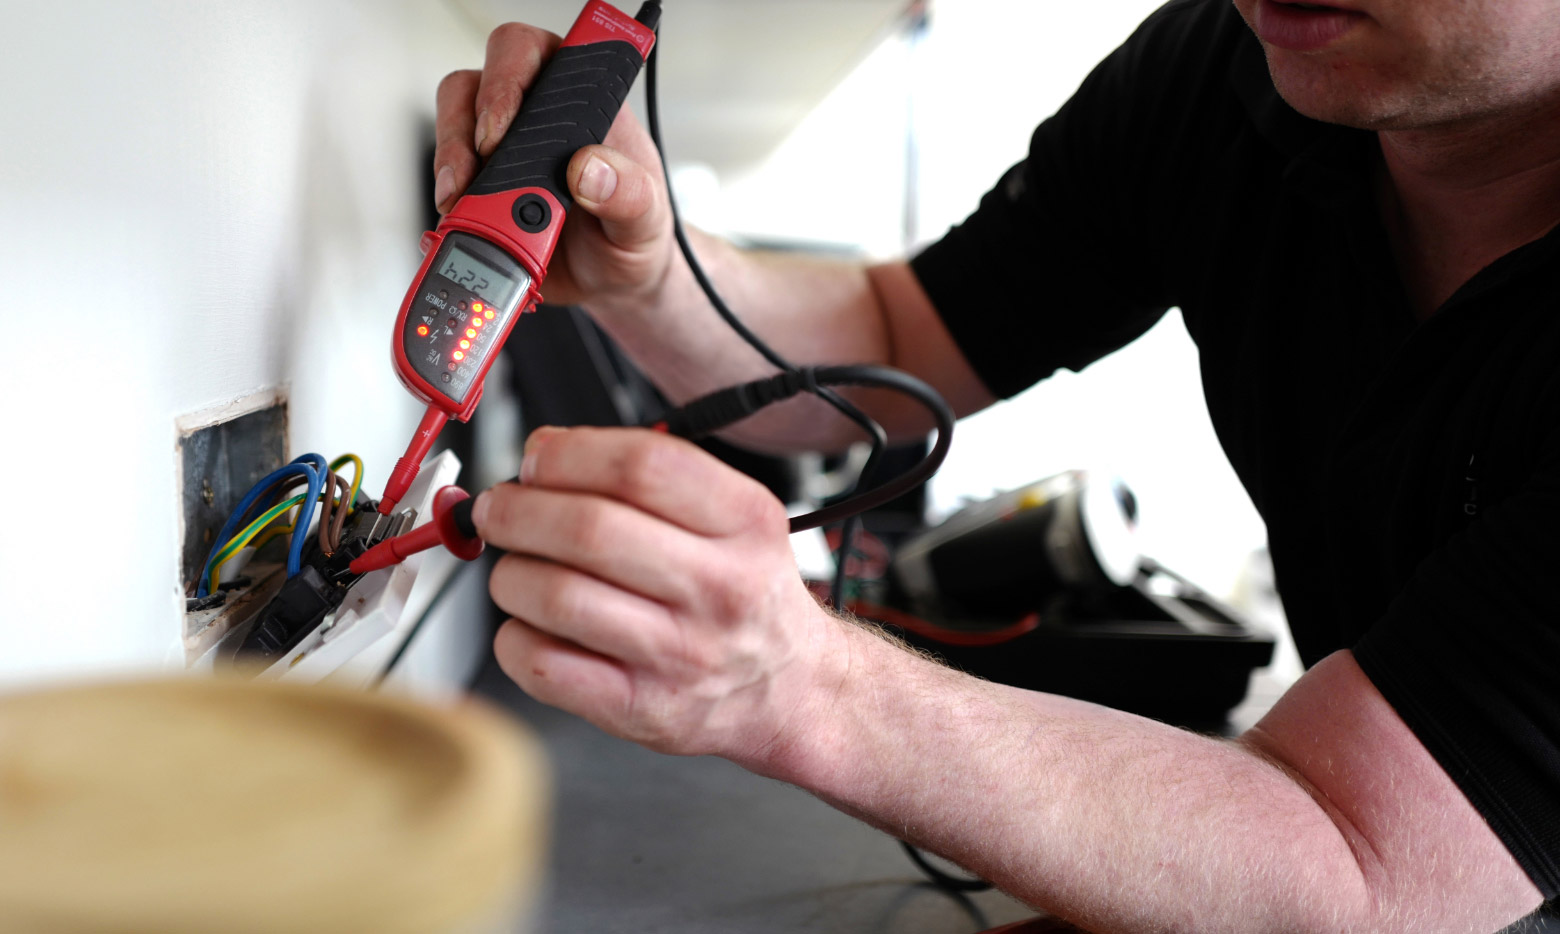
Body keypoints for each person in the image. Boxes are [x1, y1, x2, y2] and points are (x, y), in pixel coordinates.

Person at [430, 0, 1560, 928]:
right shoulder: (1241, 66)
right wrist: (651, 275)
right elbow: (898, 337)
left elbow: (1357, 862)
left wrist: (797, 680)